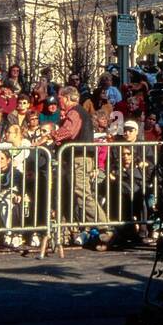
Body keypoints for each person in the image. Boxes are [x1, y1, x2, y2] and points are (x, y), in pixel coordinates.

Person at [51, 85, 108, 234]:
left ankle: (105, 228)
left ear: (68, 98)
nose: (59, 102)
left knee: (82, 193)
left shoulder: (75, 112)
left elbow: (69, 131)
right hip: (80, 158)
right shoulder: (80, 112)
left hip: (79, 158)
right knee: (80, 193)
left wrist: (53, 135)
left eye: (60, 98)